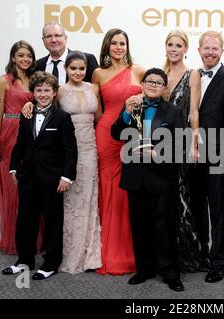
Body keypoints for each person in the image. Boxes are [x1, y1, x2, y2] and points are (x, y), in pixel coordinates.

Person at [111, 68, 184, 292]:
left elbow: (180, 145)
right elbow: (116, 133)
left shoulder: (173, 111)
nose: (153, 85)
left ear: (164, 88)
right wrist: (125, 111)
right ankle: (144, 269)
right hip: (135, 176)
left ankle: (170, 272)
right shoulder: (131, 106)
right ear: (142, 84)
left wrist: (157, 155)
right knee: (139, 225)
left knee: (164, 226)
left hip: (162, 177)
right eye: (149, 81)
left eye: (158, 82)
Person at [1, 71, 78, 281]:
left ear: (54, 93)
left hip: (53, 178)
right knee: (25, 219)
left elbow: (70, 150)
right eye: (38, 90)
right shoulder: (27, 114)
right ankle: (24, 260)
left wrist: (67, 177)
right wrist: (14, 169)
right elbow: (20, 144)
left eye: (47, 90)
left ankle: (51, 263)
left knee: (53, 221)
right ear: (32, 92)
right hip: (28, 176)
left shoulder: (63, 118)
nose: (43, 94)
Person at [91, 28, 145, 275]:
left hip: (131, 135)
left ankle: (131, 249)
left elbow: (157, 95)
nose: (119, 47)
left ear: (128, 46)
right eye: (114, 43)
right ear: (107, 46)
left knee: (128, 189)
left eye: (123, 43)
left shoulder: (139, 71)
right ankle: (107, 250)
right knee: (108, 186)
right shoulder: (98, 74)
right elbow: (96, 108)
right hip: (106, 134)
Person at [189, 31, 224, 283]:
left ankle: (219, 261)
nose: (210, 52)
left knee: (217, 209)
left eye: (215, 49)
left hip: (216, 155)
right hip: (190, 153)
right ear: (199, 50)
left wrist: (222, 156)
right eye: (206, 48)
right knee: (197, 205)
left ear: (222, 51)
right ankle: (202, 255)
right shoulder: (194, 75)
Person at [162, 30, 207, 273]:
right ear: (165, 47)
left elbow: (194, 112)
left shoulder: (193, 74)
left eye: (179, 45)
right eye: (170, 44)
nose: (174, 49)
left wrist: (194, 144)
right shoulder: (160, 73)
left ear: (186, 49)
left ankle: (190, 255)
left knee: (181, 197)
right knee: (167, 199)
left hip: (182, 142)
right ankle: (169, 254)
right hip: (160, 144)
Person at [57, 51, 102, 274]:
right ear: (66, 68)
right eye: (73, 68)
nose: (77, 72)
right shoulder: (59, 91)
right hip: (69, 150)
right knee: (72, 201)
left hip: (91, 149)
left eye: (81, 68)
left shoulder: (93, 88)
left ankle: (90, 255)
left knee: (90, 198)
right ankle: (70, 253)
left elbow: (99, 119)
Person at [0, 40, 37, 254]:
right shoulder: (4, 81)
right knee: (13, 186)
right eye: (21, 55)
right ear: (13, 58)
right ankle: (13, 238)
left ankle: (33, 238)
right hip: (10, 133)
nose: (25, 59)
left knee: (30, 185)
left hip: (31, 134)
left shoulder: (36, 79)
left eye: (29, 55)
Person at [0, 22, 98, 105]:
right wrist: (0, 98)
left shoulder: (87, 60)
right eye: (48, 36)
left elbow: (99, 95)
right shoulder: (36, 66)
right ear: (43, 40)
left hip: (79, 126)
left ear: (65, 38)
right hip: (45, 127)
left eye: (58, 35)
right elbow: (25, 91)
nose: (54, 40)